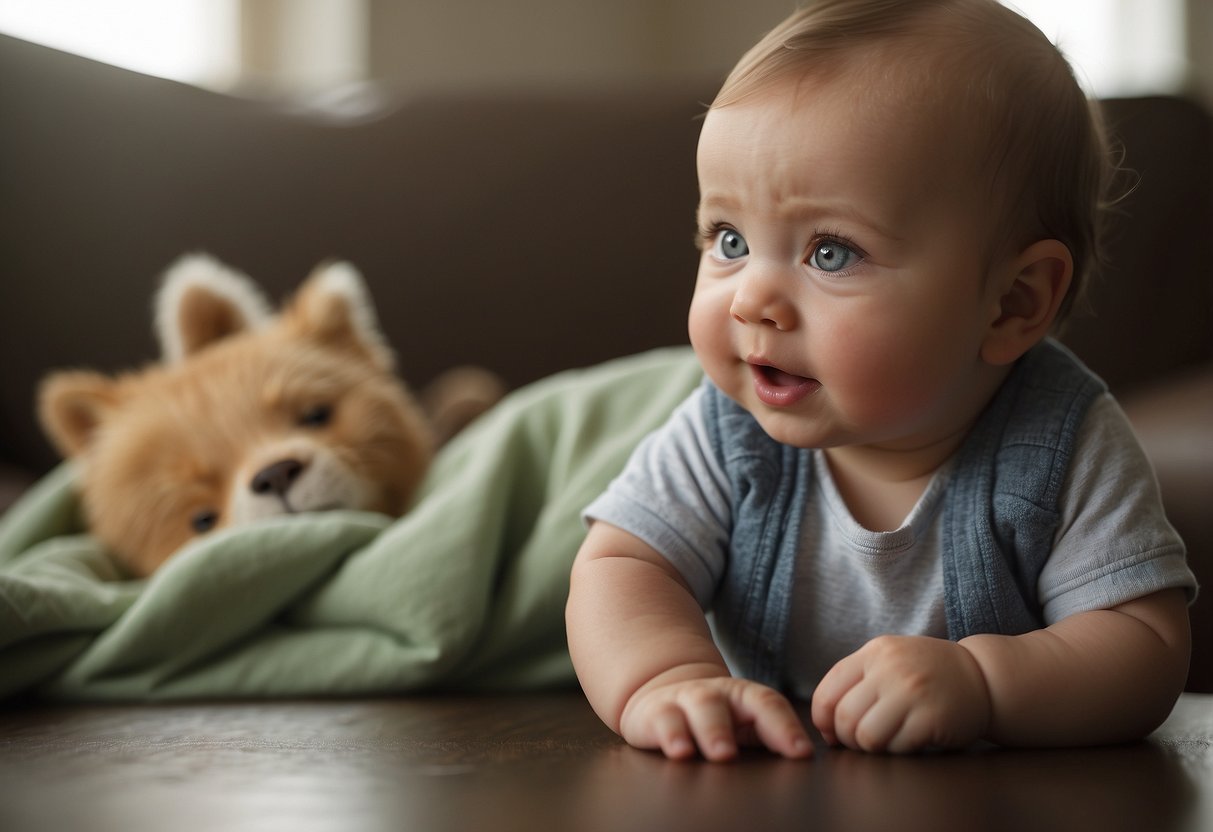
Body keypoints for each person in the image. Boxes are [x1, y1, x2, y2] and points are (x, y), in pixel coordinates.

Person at [565, 0, 1197, 762]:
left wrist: (982, 682)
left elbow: (1142, 645)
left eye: (830, 253)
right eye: (728, 240)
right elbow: (623, 564)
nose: (751, 301)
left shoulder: (1062, 442)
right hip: (764, 783)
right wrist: (665, 680)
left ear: (1012, 303)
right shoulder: (725, 434)